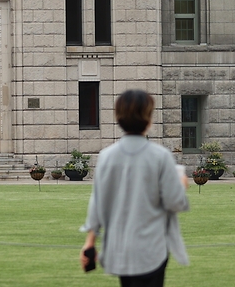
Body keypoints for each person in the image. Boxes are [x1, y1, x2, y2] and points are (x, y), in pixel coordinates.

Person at [80, 90, 189, 287]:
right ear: (148, 118)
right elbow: (175, 202)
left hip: (120, 248)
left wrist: (90, 242)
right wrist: (181, 183)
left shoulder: (106, 156)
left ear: (118, 117)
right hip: (152, 249)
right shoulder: (160, 156)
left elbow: (97, 203)